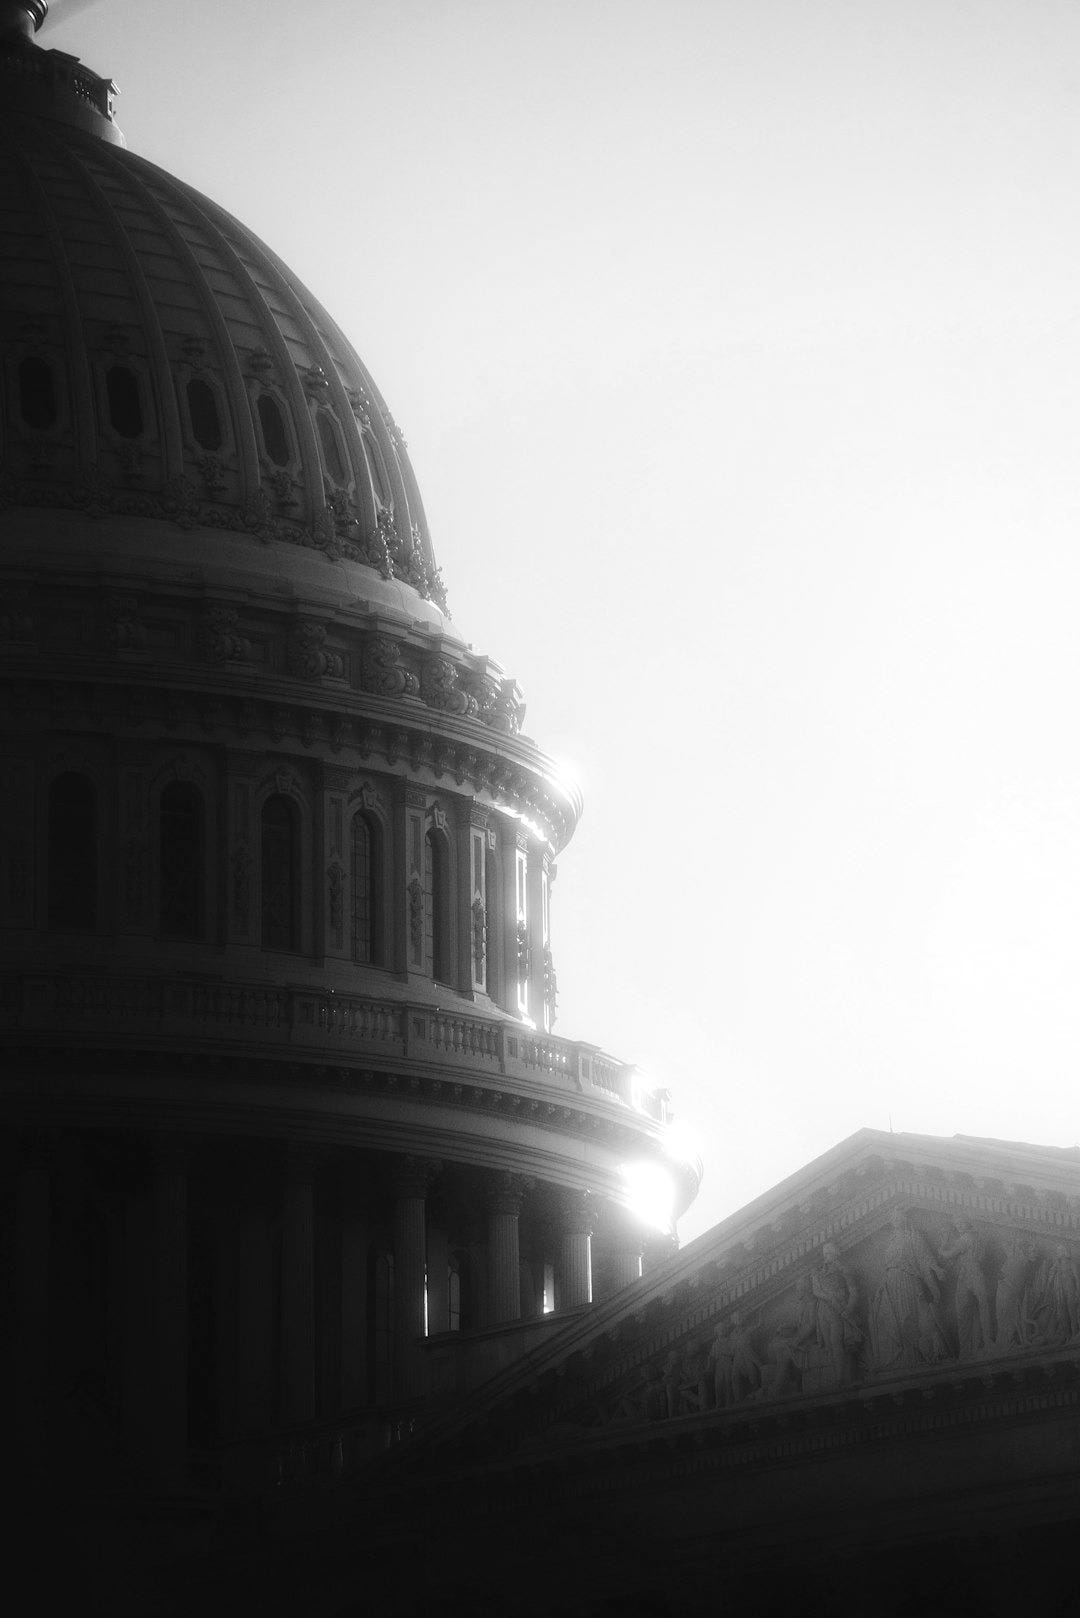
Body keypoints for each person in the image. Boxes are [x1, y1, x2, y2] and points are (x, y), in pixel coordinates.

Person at [869, 1207, 947, 1371]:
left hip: (907, 1280)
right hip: (890, 1283)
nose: (896, 1219)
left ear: (904, 1219)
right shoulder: (890, 1241)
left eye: (899, 1216)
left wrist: (937, 1271)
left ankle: (923, 1356)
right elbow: (887, 1267)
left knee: (909, 1319)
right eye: (893, 1217)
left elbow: (925, 1258)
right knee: (891, 1320)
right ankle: (905, 1358)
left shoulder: (913, 1236)